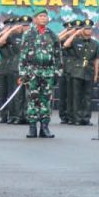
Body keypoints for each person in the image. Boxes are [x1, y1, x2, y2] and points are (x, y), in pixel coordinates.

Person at [17, 8, 62, 138]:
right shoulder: (28, 34)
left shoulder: (53, 35)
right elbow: (23, 55)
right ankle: (32, 127)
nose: (43, 18)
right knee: (32, 100)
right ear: (35, 19)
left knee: (46, 100)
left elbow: (58, 56)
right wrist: (22, 73)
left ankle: (44, 127)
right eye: (40, 16)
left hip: (48, 72)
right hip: (32, 73)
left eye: (45, 16)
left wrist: (57, 73)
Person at [0, 15, 28, 124]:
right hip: (7, 67)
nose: (22, 27)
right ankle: (8, 115)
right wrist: (6, 31)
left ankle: (20, 115)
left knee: (22, 94)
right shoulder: (10, 37)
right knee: (7, 93)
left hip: (21, 67)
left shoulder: (27, 37)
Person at [65, 19, 99, 125]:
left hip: (88, 71)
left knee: (87, 96)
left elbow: (96, 60)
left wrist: (96, 74)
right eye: (85, 28)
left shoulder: (95, 44)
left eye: (89, 29)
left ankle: (86, 118)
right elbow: (66, 44)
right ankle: (76, 118)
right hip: (77, 71)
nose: (88, 30)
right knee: (76, 96)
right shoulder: (76, 41)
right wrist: (76, 32)